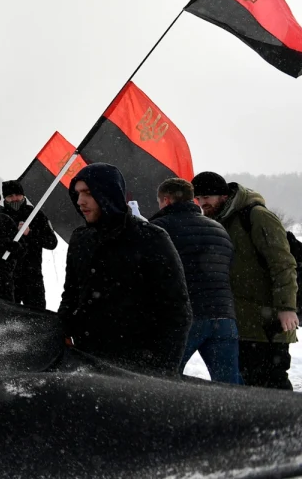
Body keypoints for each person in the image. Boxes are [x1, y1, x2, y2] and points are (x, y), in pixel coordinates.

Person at [59, 163, 191, 377]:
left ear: (108, 194)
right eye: (77, 194)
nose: (80, 201)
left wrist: (164, 370)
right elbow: (71, 295)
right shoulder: (80, 239)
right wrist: (62, 332)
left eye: (88, 193)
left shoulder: (151, 238)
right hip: (87, 361)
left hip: (138, 367)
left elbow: (176, 311)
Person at [193, 171, 298, 390]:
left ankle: (289, 423)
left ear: (223, 195)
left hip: (267, 324)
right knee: (247, 386)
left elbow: (283, 264)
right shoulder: (218, 220)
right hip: (239, 323)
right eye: (199, 198)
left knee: (272, 385)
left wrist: (286, 307)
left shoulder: (256, 216)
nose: (203, 203)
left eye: (207, 198)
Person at [148, 178, 239, 384]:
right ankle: (238, 416)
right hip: (224, 315)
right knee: (230, 385)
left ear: (166, 200)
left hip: (184, 318)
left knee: (162, 381)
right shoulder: (219, 229)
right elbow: (228, 267)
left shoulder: (159, 228)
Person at [0, 180, 58, 310]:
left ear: (23, 195)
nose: (15, 199)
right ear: (4, 198)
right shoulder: (0, 217)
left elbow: (51, 242)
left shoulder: (36, 214)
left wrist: (30, 233)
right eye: (10, 196)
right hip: (7, 279)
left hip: (32, 277)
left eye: (17, 195)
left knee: (37, 318)